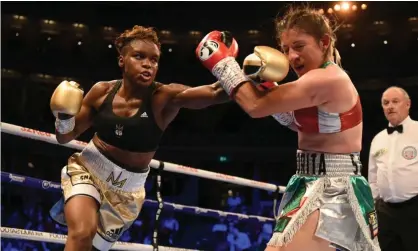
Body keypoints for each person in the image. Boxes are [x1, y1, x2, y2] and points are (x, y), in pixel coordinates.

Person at [196, 5, 380, 251]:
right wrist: (265, 84)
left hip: (331, 188)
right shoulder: (317, 80)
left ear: (324, 42)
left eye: (299, 46)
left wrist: (222, 62)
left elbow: (255, 106)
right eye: (286, 49)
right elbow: (294, 121)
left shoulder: (328, 79)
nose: (292, 56)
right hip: (312, 181)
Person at [49, 25, 235, 251]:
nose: (148, 64)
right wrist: (63, 116)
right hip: (88, 171)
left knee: (95, 249)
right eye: (139, 56)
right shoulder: (102, 91)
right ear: (122, 61)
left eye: (154, 60)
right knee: (81, 234)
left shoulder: (163, 97)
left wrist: (242, 71)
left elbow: (216, 93)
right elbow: (64, 136)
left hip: (126, 192)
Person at [368, 86, 418, 251]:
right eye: (385, 103)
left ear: (408, 104)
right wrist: (372, 208)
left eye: (395, 101)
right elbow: (373, 177)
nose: (390, 106)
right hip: (385, 212)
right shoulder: (378, 139)